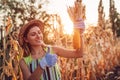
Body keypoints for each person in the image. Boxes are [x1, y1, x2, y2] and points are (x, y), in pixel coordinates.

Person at [18, 19, 85, 80]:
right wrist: (42, 64)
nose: (38, 36)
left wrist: (81, 34)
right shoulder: (24, 61)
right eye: (33, 34)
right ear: (26, 39)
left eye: (39, 32)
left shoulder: (52, 50)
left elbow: (79, 53)